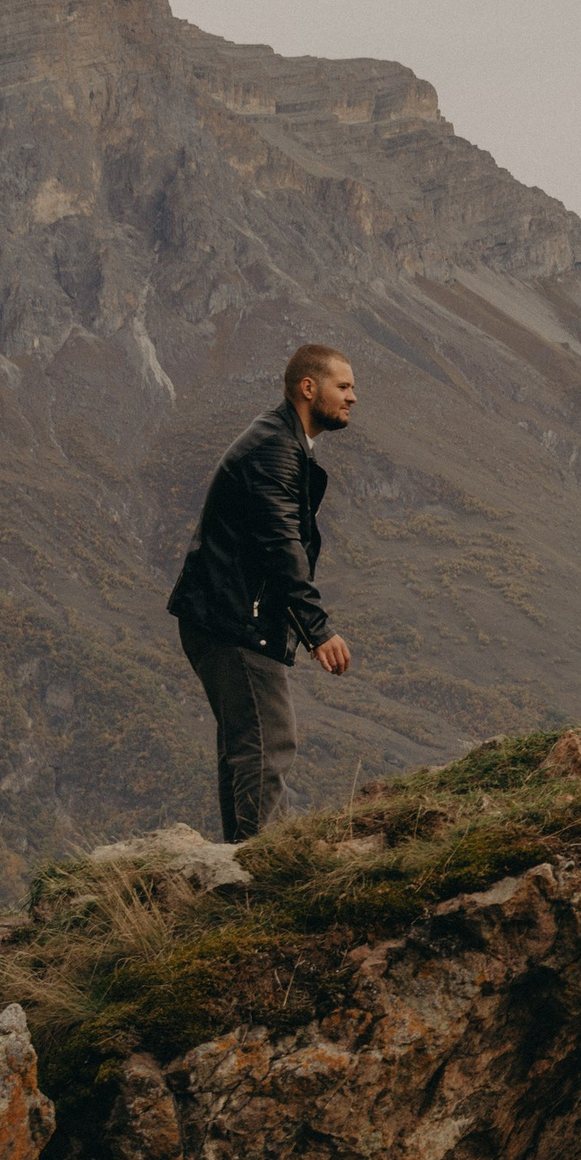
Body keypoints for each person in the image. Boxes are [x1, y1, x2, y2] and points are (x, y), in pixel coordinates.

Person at [167, 344, 357, 840]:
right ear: (307, 388)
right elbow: (280, 543)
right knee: (268, 743)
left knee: (246, 747)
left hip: (224, 618)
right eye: (343, 386)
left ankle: (238, 869)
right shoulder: (275, 449)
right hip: (233, 622)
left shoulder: (281, 441)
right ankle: (257, 875)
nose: (353, 398)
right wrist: (318, 629)